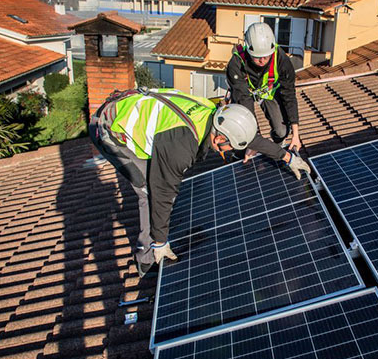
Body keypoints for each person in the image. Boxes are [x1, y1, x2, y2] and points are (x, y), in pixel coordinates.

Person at [89, 87, 311, 277]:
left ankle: (155, 239)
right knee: (149, 190)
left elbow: (247, 137)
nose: (232, 152)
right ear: (218, 139)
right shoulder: (181, 148)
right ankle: (147, 258)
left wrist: (287, 157)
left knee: (161, 181)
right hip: (109, 126)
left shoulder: (218, 116)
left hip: (134, 110)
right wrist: (160, 239)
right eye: (230, 148)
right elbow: (163, 192)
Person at [226, 22, 301, 156]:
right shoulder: (236, 64)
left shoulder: (281, 60)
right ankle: (242, 151)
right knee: (241, 133)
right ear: (248, 50)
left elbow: (289, 95)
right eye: (257, 57)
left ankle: (275, 145)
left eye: (266, 57)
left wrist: (296, 134)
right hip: (244, 94)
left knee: (281, 131)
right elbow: (244, 101)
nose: (262, 61)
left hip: (268, 93)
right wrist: (253, 141)